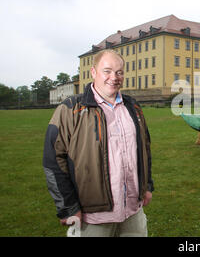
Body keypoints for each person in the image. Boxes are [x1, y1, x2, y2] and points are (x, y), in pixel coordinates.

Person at [43, 49, 154, 237]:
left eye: (119, 72)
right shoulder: (70, 109)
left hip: (132, 213)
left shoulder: (133, 107)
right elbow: (53, 161)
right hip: (92, 217)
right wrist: (68, 206)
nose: (114, 77)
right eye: (107, 71)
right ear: (93, 72)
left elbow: (144, 149)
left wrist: (147, 186)